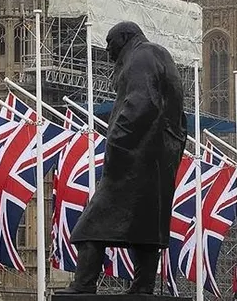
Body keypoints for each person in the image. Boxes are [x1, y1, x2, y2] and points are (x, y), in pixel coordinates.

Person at [56, 21, 187, 295]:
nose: (107, 51)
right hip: (159, 157)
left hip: (136, 155)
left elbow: (142, 102)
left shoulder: (140, 56)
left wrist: (117, 140)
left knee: (89, 226)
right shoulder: (158, 54)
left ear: (125, 37)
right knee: (147, 226)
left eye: (110, 43)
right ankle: (143, 286)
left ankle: (84, 284)